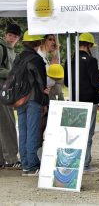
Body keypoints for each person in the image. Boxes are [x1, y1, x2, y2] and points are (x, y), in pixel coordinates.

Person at [64, 32, 99, 174]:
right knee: (88, 133)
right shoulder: (91, 61)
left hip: (74, 100)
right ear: (89, 45)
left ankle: (75, 162)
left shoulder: (70, 60)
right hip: (89, 101)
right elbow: (97, 82)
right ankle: (86, 164)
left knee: (75, 133)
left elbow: (66, 82)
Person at [17, 31, 48, 176]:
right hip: (33, 99)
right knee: (33, 132)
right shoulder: (37, 60)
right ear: (38, 43)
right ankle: (32, 166)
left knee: (23, 131)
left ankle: (25, 164)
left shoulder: (18, 57)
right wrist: (45, 102)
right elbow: (42, 85)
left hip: (19, 100)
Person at [0, 23, 22, 169]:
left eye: (14, 36)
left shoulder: (11, 50)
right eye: (10, 35)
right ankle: (11, 159)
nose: (11, 38)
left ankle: (4, 159)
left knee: (4, 124)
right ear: (5, 35)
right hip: (2, 88)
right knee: (7, 124)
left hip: (6, 88)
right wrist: (13, 73)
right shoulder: (1, 47)